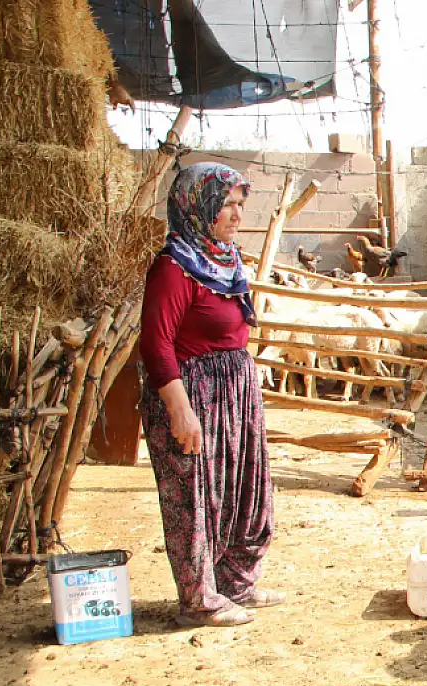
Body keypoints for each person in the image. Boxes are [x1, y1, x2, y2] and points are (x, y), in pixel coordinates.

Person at [139, 163, 282, 627]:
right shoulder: (174, 267)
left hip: (233, 392)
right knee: (195, 499)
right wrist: (181, 413)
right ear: (198, 207)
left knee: (245, 491)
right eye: (228, 205)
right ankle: (199, 600)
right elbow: (156, 345)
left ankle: (235, 583)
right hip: (192, 396)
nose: (238, 214)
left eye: (241, 204)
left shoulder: (223, 258)